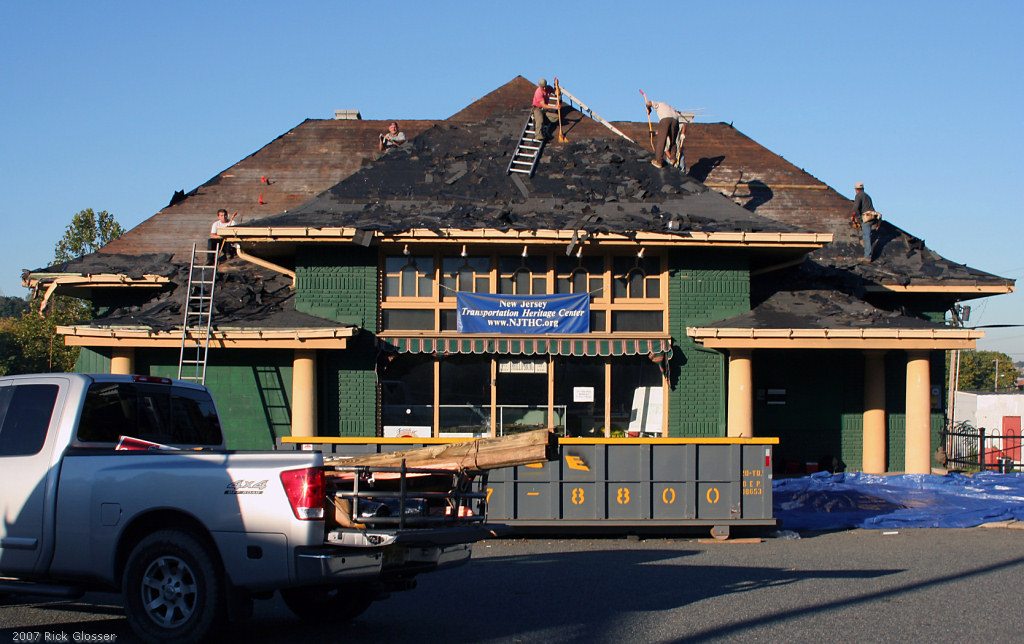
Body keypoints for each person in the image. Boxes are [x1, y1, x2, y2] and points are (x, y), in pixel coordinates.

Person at [645, 99, 683, 168]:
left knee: (661, 140)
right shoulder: (670, 108)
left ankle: (659, 161)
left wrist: (648, 108)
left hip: (665, 119)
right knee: (673, 140)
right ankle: (673, 158)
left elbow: (648, 103)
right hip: (675, 120)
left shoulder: (659, 104)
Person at [851, 182, 879, 261]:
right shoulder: (867, 196)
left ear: (856, 190)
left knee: (866, 237)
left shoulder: (858, 196)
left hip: (866, 217)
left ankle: (867, 256)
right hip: (872, 217)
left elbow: (856, 207)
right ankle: (867, 252)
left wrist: (852, 216)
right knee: (867, 235)